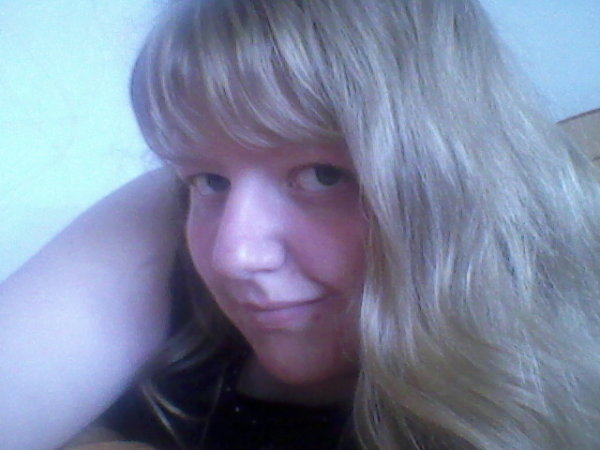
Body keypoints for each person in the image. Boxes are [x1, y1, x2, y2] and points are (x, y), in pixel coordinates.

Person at [2, 0, 600, 448]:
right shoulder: (175, 301)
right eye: (208, 181)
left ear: (456, 179)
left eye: (322, 175)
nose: (233, 256)